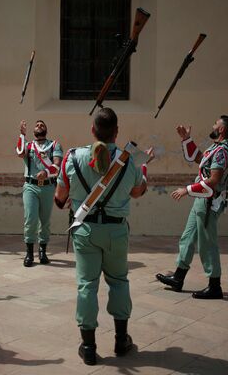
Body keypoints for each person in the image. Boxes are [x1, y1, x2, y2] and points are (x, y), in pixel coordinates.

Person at [54, 107, 153, 365]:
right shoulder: (128, 160)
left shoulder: (72, 158)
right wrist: (144, 171)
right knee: (119, 281)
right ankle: (121, 340)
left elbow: (59, 198)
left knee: (87, 285)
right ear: (116, 132)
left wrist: (73, 200)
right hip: (116, 230)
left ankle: (88, 346)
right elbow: (137, 192)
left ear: (92, 130)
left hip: (85, 230)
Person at [156, 115, 228, 300]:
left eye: (215, 123)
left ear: (222, 130)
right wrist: (186, 140)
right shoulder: (216, 148)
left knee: (207, 244)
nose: (213, 125)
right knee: (188, 237)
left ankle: (215, 286)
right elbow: (201, 159)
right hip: (202, 199)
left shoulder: (223, 152)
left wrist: (187, 189)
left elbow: (214, 180)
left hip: (209, 201)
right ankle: (178, 277)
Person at [15, 119, 63, 267]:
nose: (39, 126)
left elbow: (57, 166)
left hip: (48, 187)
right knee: (30, 219)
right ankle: (30, 253)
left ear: (46, 129)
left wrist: (46, 171)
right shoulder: (28, 145)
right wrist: (22, 135)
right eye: (37, 125)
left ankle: (43, 251)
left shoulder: (54, 145)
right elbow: (19, 153)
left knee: (45, 220)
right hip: (30, 186)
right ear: (34, 130)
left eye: (42, 125)